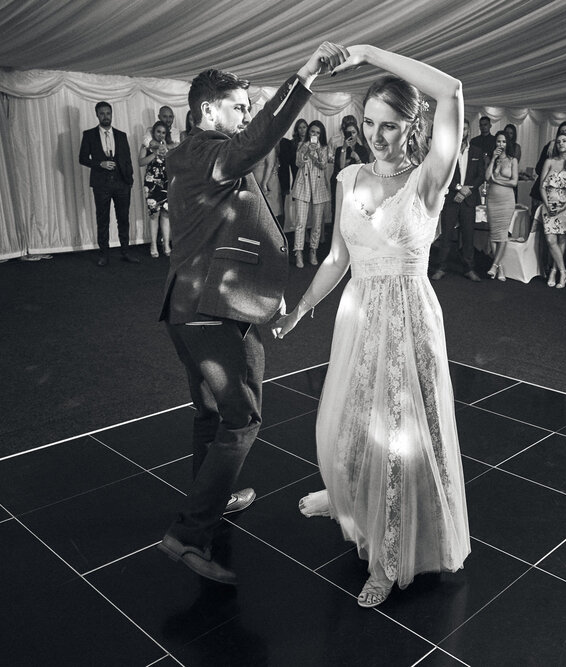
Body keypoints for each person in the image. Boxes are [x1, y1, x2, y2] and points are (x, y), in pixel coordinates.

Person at [274, 44, 470, 609]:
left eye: (390, 125)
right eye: (368, 123)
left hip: (409, 324)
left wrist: (365, 52)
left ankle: (390, 559)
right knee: (353, 431)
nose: (377, 136)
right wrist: (300, 308)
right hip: (358, 322)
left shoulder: (429, 179)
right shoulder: (347, 177)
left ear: (413, 128)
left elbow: (451, 90)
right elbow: (337, 258)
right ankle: (351, 506)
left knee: (402, 444)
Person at [156, 42, 349, 585]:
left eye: (245, 107)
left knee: (211, 416)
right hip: (210, 313)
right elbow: (252, 145)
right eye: (237, 107)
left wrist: (269, 284)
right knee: (242, 420)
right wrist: (303, 79)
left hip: (192, 306)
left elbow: (236, 223)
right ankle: (189, 534)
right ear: (206, 111)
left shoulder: (200, 156)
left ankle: (211, 502)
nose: (244, 116)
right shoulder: (204, 152)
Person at [78, 101, 138, 266]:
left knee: (123, 219)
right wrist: (100, 164)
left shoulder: (121, 135)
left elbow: (127, 160)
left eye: (108, 113)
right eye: (102, 113)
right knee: (102, 219)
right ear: (97, 115)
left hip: (121, 184)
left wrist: (129, 181)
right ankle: (104, 254)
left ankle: (125, 251)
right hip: (101, 184)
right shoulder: (89, 134)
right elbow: (82, 158)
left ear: (112, 114)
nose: (106, 116)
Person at [432, 117, 485, 281]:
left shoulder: (476, 151)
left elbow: (481, 175)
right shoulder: (448, 151)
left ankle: (469, 268)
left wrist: (469, 189)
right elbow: (443, 173)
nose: (463, 132)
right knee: (447, 234)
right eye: (461, 129)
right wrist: (458, 188)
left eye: (466, 129)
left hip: (468, 199)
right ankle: (441, 267)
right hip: (452, 198)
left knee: (468, 235)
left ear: (469, 131)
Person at [538, 132, 566, 288]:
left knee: (562, 239)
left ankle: (555, 271)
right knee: (550, 239)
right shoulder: (549, 161)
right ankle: (563, 271)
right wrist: (547, 203)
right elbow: (541, 186)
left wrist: (564, 206)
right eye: (558, 142)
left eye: (564, 141)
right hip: (548, 204)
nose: (561, 144)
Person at [291, 120, 334, 267]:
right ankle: (298, 252)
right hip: (303, 185)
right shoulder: (301, 145)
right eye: (312, 132)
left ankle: (313, 251)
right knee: (300, 223)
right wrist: (306, 150)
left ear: (321, 135)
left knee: (316, 224)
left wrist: (314, 153)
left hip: (319, 187)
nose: (314, 135)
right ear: (308, 132)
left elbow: (323, 165)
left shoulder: (324, 148)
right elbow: (298, 163)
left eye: (317, 133)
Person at [484, 131, 519, 280]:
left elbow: (514, 182)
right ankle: (500, 267)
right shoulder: (493, 159)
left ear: (507, 144)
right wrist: (493, 159)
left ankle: (494, 266)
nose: (501, 144)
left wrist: (496, 180)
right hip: (492, 199)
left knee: (503, 234)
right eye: (498, 141)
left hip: (506, 201)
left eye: (503, 142)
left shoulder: (513, 160)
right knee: (493, 234)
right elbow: (486, 177)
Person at [529, 121, 566, 216]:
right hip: (541, 195)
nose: (564, 134)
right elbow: (538, 169)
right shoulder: (551, 147)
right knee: (536, 226)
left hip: (562, 200)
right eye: (562, 131)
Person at [139, 121, 171, 257]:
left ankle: (166, 245)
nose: (161, 135)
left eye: (163, 132)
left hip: (167, 182)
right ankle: (153, 245)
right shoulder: (147, 146)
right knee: (154, 215)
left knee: (166, 214)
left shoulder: (169, 146)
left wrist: (166, 152)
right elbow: (140, 162)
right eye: (158, 131)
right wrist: (155, 153)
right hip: (151, 184)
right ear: (153, 132)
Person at [276, 118, 309, 226]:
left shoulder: (313, 143)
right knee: (300, 209)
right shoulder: (291, 144)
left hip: (311, 176)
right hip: (298, 177)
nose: (302, 130)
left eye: (304, 127)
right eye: (300, 128)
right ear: (296, 130)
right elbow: (289, 165)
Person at [331, 118, 370, 205]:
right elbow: (341, 166)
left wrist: (357, 158)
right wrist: (344, 148)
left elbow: (364, 169)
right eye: (348, 133)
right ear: (345, 134)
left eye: (353, 132)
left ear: (357, 134)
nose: (351, 135)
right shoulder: (339, 150)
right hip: (340, 185)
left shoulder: (362, 149)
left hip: (356, 185)